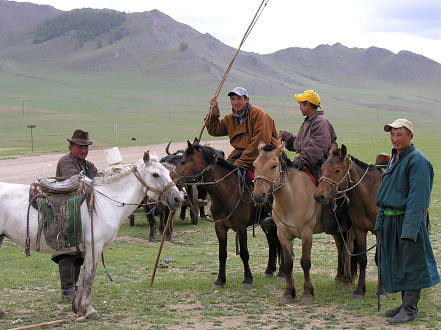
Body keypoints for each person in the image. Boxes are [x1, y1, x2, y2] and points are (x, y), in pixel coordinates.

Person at [374, 118, 439, 324]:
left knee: (411, 263)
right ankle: (404, 304)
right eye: (392, 134)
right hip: (392, 221)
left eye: (399, 134)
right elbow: (386, 195)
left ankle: (410, 309)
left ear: (410, 136)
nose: (395, 139)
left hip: (407, 221)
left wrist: (410, 229)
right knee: (399, 262)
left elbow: (418, 199)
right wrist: (380, 223)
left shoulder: (417, 161)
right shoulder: (396, 159)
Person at [278, 90, 348, 234]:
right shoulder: (309, 121)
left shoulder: (320, 122)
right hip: (307, 164)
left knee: (324, 190)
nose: (299, 107)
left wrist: (298, 162)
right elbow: (300, 143)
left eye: (301, 104)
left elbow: (318, 146)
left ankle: (332, 222)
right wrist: (288, 138)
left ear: (308, 105)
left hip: (319, 166)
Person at [53, 129, 98, 300]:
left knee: (80, 250)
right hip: (64, 209)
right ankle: (67, 290)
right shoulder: (66, 161)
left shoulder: (89, 165)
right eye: (80, 146)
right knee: (67, 248)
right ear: (71, 147)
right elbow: (74, 180)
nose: (84, 150)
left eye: (86, 147)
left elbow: (98, 180)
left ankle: (73, 286)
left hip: (81, 212)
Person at [207, 87, 279, 170]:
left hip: (264, 152)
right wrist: (214, 111)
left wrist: (241, 162)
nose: (235, 102)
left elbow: (261, 142)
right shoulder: (230, 118)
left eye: (239, 99)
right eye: (233, 99)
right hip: (242, 153)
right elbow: (214, 130)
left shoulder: (257, 113)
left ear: (247, 100)